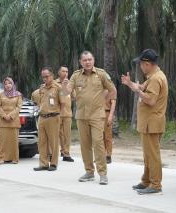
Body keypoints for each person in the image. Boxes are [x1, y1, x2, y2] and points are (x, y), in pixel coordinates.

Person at [62, 51, 117, 185]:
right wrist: (64, 85)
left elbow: (113, 90)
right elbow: (66, 92)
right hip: (81, 116)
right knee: (85, 145)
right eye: (85, 60)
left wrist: (101, 100)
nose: (87, 62)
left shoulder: (101, 74)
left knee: (98, 143)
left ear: (94, 60)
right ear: (81, 62)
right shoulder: (75, 75)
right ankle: (89, 172)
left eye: (90, 59)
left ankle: (102, 174)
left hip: (97, 115)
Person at [121, 49, 168, 194]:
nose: (140, 66)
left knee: (152, 155)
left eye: (141, 63)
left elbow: (151, 100)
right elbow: (143, 88)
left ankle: (155, 185)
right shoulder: (153, 76)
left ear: (148, 63)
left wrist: (137, 90)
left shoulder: (155, 78)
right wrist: (131, 84)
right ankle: (146, 181)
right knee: (148, 155)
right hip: (149, 123)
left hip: (152, 123)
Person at [33, 68, 64, 172]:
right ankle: (43, 163)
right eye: (43, 77)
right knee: (42, 142)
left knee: (53, 142)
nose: (45, 78)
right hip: (42, 117)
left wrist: (59, 117)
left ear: (52, 75)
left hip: (53, 117)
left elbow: (63, 104)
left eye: (47, 76)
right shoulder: (41, 89)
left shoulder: (58, 88)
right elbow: (39, 102)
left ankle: (54, 163)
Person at [0, 77, 23, 164]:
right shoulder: (0, 95)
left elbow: (19, 107)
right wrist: (4, 116)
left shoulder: (18, 95)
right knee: (2, 141)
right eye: (6, 84)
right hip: (2, 121)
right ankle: (1, 158)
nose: (8, 85)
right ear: (4, 85)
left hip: (13, 121)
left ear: (13, 84)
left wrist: (11, 116)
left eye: (10, 83)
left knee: (13, 141)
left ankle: (14, 158)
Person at [55, 66, 75, 162]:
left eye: (67, 71)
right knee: (57, 134)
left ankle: (66, 154)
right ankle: (54, 153)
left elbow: (74, 96)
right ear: (59, 72)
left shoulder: (70, 83)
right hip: (57, 113)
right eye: (63, 71)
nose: (65, 73)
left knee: (67, 134)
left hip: (67, 113)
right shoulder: (54, 83)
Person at [103, 89, 116, 164]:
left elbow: (113, 103)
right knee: (99, 136)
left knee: (108, 136)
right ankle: (101, 155)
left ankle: (108, 155)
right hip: (97, 114)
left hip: (107, 112)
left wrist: (110, 116)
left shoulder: (112, 89)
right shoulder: (98, 87)